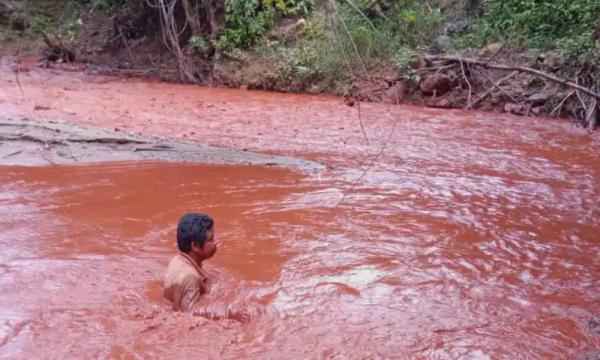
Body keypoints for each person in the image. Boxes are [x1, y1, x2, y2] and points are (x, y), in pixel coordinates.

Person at [163, 213, 218, 312]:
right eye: (211, 239)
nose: (216, 242)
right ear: (195, 246)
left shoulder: (178, 259)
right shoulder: (191, 278)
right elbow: (190, 318)